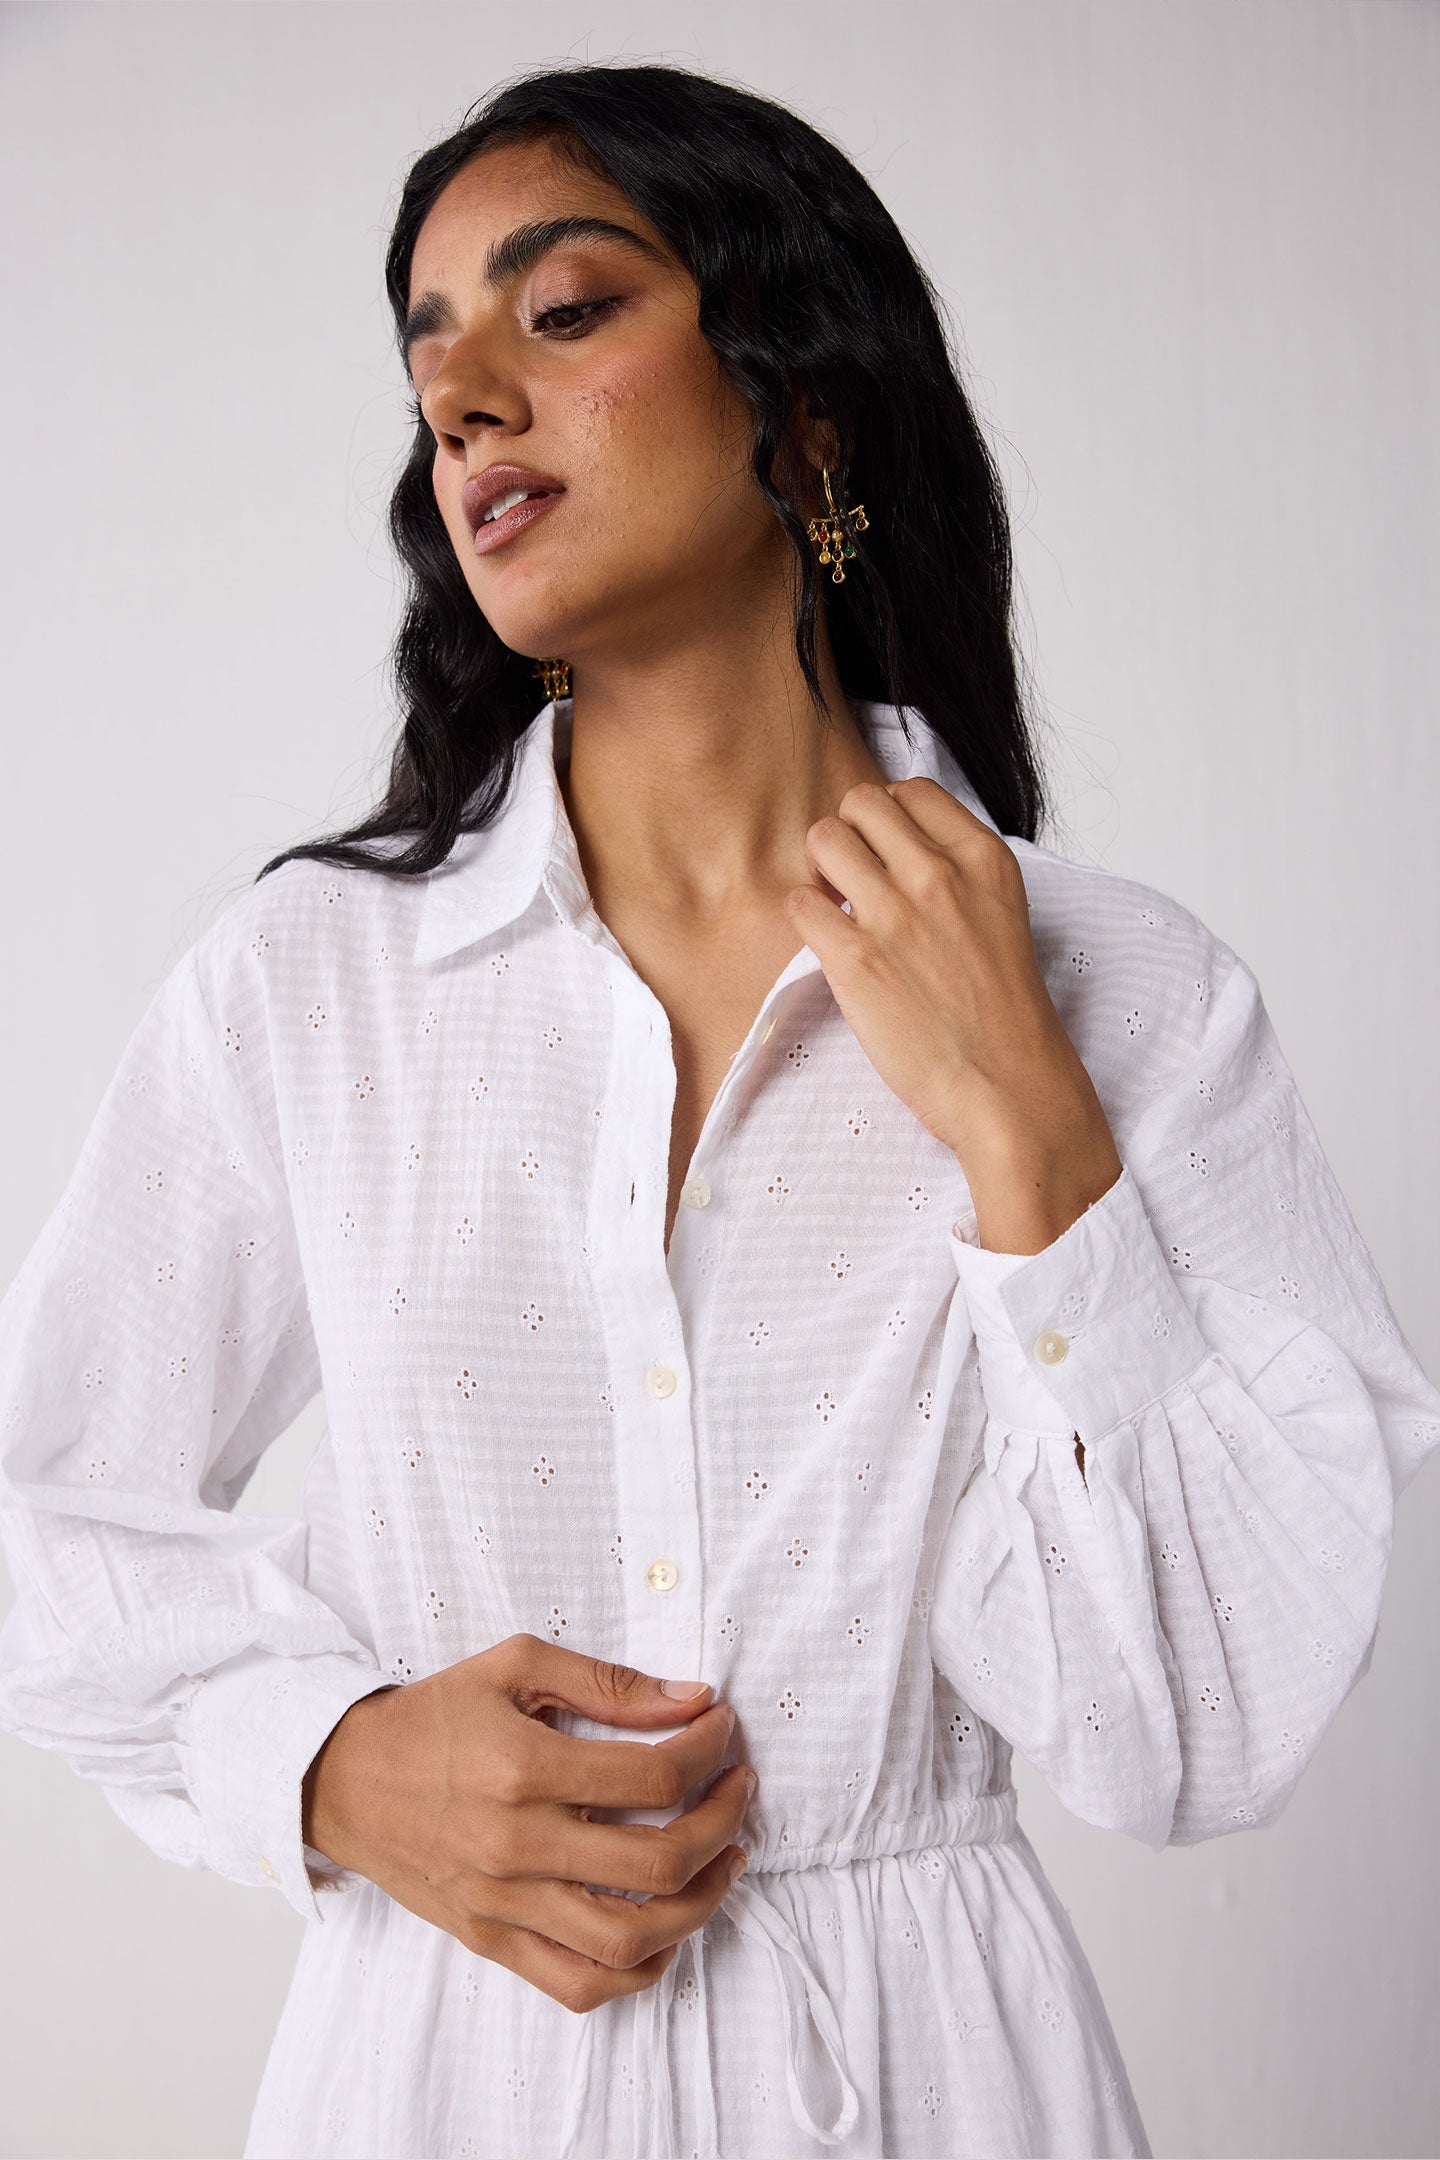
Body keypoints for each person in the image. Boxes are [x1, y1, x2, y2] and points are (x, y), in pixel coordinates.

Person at [1, 59, 1436, 2160]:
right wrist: (325, 1763)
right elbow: (35, 1506)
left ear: (806, 411)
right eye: (432, 365)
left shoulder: (1128, 994)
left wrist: (1030, 1140)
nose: (468, 398)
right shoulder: (312, 988)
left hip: (939, 2083)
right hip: (440, 2084)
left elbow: (1196, 1735)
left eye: (559, 312)